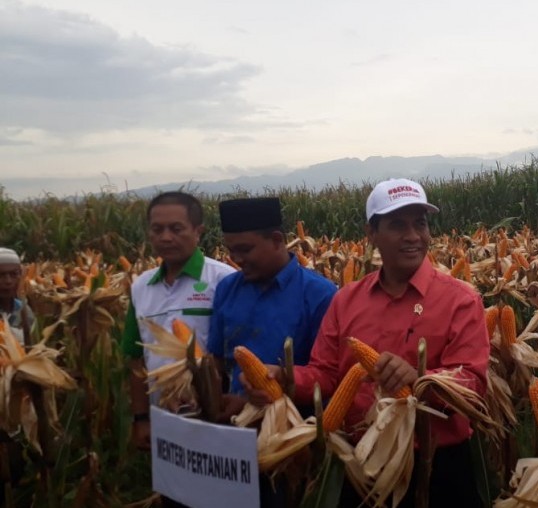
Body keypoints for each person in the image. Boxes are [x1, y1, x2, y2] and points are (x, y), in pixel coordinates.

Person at [249, 179, 491, 508]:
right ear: (371, 233)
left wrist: (421, 379)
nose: (413, 236)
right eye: (397, 225)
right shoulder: (346, 300)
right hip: (361, 461)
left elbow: (473, 383)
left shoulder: (460, 300)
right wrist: (286, 378)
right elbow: (327, 374)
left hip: (438, 464)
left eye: (420, 223)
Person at [121, 192, 237, 452]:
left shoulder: (223, 279)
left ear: (198, 232)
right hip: (163, 419)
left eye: (176, 229)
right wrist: (141, 418)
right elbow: (135, 358)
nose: (165, 237)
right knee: (172, 491)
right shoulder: (141, 286)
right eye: (157, 229)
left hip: (215, 417)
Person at [207, 197, 337, 419]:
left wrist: (284, 381)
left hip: (296, 428)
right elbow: (216, 360)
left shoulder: (320, 294)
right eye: (231, 251)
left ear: (277, 240)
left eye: (245, 250)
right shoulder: (227, 288)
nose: (236, 259)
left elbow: (329, 375)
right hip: (235, 425)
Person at [0, 247, 35, 345]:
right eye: (0, 275)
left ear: (21, 276)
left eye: (14, 274)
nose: (8, 281)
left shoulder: (25, 313)